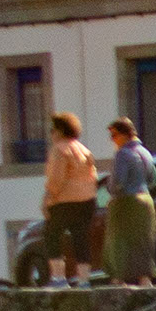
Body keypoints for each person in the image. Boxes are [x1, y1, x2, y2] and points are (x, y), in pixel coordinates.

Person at [37, 111, 101, 283]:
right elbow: (93, 177)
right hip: (87, 201)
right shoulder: (84, 150)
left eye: (52, 130)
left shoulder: (59, 150)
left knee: (52, 234)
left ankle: (58, 278)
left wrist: (47, 200)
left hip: (64, 201)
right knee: (81, 238)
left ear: (60, 130)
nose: (50, 134)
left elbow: (57, 178)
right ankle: (84, 280)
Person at [101, 116, 156, 284]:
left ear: (125, 134)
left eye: (114, 135)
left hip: (126, 203)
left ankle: (118, 280)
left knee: (118, 241)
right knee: (143, 242)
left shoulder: (122, 154)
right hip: (146, 202)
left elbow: (118, 182)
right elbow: (153, 179)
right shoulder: (146, 153)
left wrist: (109, 189)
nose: (112, 140)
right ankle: (145, 280)